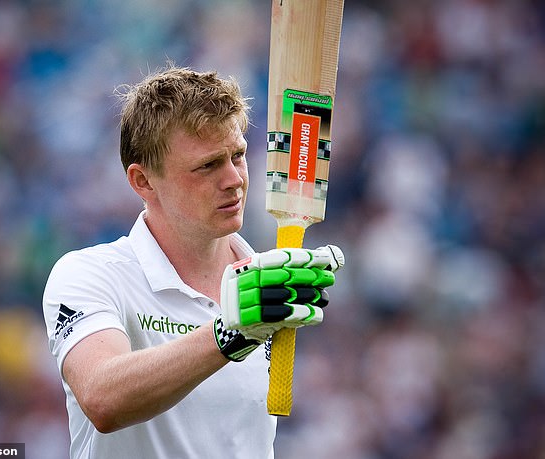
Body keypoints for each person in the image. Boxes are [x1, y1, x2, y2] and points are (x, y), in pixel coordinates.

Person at [42, 65, 343, 459]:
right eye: (208, 165)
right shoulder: (90, 274)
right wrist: (230, 333)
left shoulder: (271, 280)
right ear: (143, 181)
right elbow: (102, 399)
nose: (234, 179)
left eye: (238, 156)